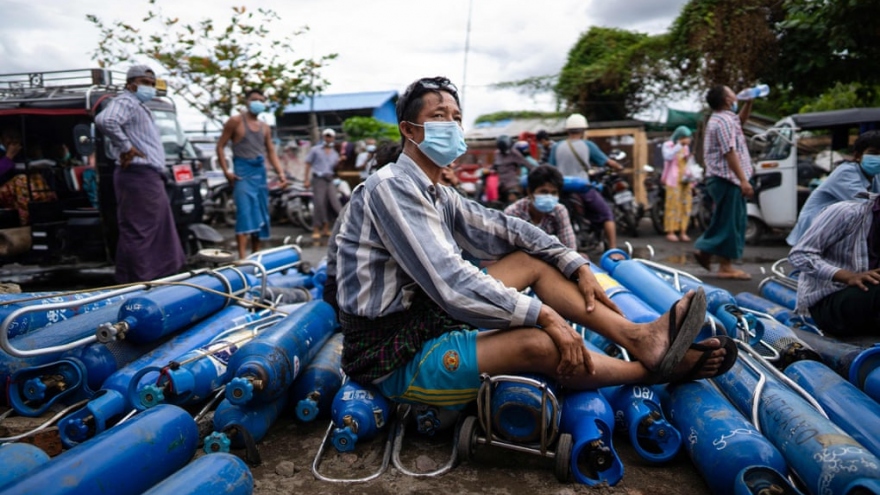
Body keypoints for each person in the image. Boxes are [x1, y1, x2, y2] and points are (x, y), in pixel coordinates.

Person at [334, 76, 734, 411]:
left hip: (423, 319)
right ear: (409, 130)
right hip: (392, 354)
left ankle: (640, 338)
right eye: (438, 117)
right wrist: (544, 316)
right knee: (539, 342)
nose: (452, 126)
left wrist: (573, 261)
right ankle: (657, 370)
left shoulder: (438, 191)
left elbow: (503, 228)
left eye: (456, 118)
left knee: (534, 262)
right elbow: (451, 282)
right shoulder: (391, 187)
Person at [94, 64, 185, 283]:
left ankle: (137, 278)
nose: (149, 88)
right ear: (130, 84)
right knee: (142, 231)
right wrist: (126, 147)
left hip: (147, 175)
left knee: (150, 229)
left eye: (152, 84)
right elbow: (105, 120)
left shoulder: (139, 105)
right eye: (145, 83)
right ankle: (143, 280)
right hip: (138, 174)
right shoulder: (126, 101)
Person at [789, 194, 880, 335]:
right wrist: (848, 276)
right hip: (827, 303)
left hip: (863, 304)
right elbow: (800, 255)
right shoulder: (846, 213)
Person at [693, 85, 755, 280]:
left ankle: (705, 251)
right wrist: (743, 180)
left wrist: (749, 103)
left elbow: (740, 123)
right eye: (731, 93)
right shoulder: (722, 122)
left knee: (726, 219)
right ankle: (725, 265)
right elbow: (729, 151)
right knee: (731, 222)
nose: (735, 95)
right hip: (727, 178)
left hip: (726, 179)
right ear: (727, 100)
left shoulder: (725, 119)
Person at [216, 89, 286, 260]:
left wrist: (281, 173)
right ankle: (242, 258)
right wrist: (227, 171)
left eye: (262, 100)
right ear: (247, 101)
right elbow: (220, 146)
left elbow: (271, 151)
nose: (258, 103)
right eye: (255, 99)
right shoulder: (235, 121)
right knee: (244, 214)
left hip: (260, 174)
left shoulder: (265, 127)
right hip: (242, 174)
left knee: (260, 215)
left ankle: (255, 257)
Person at [786, 131, 880, 246]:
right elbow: (868, 205)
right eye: (873, 153)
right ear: (857, 156)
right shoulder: (846, 172)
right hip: (817, 230)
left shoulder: (875, 176)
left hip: (837, 230)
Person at [549, 113, 625, 250]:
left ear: (567, 130)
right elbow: (607, 162)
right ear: (583, 130)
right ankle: (613, 249)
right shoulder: (588, 145)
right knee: (607, 214)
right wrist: (619, 167)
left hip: (560, 190)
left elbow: (550, 167)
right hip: (582, 188)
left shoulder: (556, 146)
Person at [504, 165, 576, 250]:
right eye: (543, 192)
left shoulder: (559, 211)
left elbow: (569, 247)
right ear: (530, 192)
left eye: (553, 193)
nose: (549, 197)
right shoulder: (513, 213)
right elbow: (506, 249)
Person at [0, 129, 57, 225]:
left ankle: (46, 213)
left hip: (17, 190)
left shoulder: (21, 153)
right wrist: (9, 157)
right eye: (10, 137)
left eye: (16, 137)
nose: (13, 141)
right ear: (1, 138)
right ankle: (27, 221)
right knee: (21, 180)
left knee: (37, 177)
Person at [304, 128, 343, 239]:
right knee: (319, 203)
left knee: (334, 203)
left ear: (333, 138)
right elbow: (307, 164)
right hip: (318, 179)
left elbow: (335, 168)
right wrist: (306, 179)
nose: (328, 138)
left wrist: (340, 162)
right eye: (326, 136)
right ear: (323, 137)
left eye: (330, 136)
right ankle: (316, 228)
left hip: (329, 179)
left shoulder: (335, 153)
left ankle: (326, 228)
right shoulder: (315, 150)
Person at [661, 126, 695, 242]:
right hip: (673, 180)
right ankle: (670, 231)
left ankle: (683, 231)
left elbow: (686, 163)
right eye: (685, 137)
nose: (688, 140)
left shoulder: (686, 148)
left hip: (685, 179)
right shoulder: (668, 145)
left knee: (686, 205)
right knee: (672, 205)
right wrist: (679, 144)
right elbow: (668, 157)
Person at [493, 135, 534, 204]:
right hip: (501, 185)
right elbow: (494, 166)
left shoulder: (514, 153)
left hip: (512, 184)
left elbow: (528, 165)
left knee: (514, 201)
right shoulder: (497, 154)